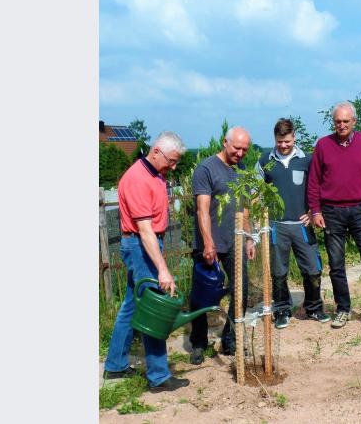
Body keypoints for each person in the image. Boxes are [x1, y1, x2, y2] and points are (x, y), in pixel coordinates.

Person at [103, 131, 191, 392]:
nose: (173, 166)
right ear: (156, 151)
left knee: (132, 305)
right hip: (141, 245)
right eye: (172, 161)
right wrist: (163, 269)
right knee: (153, 307)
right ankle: (159, 377)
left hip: (146, 243)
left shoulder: (155, 173)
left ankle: (115, 365)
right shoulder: (137, 179)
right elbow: (144, 230)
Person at [307, 101, 361, 333]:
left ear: (354, 121)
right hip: (332, 212)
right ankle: (343, 308)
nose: (341, 125)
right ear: (333, 122)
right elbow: (313, 181)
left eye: (346, 121)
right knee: (336, 265)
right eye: (338, 121)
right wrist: (315, 210)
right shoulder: (323, 145)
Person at [189, 127, 256, 365]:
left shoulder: (243, 172)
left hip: (235, 241)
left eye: (244, 150)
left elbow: (245, 208)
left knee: (242, 291)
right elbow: (202, 209)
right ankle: (198, 342)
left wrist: (249, 237)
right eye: (236, 148)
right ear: (225, 143)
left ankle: (230, 338)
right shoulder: (206, 168)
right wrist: (208, 243)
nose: (240, 153)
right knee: (201, 296)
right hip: (209, 245)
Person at [255, 118, 330, 329]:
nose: (284, 145)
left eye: (287, 141)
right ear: (275, 139)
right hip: (277, 226)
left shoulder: (307, 159)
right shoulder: (264, 161)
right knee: (278, 272)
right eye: (280, 141)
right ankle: (282, 310)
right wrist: (258, 211)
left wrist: (314, 210)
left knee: (313, 269)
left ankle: (314, 307)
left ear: (294, 137)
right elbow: (253, 189)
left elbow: (322, 185)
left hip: (302, 225)